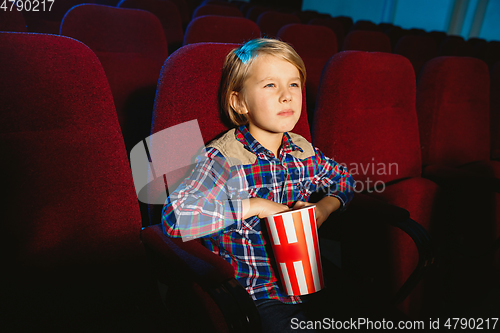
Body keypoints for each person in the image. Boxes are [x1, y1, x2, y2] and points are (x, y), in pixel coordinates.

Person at [162, 38, 354, 332]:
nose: (287, 96)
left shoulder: (302, 150)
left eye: (293, 85)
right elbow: (174, 220)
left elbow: (343, 178)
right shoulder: (223, 158)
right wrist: (254, 206)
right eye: (270, 85)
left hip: (308, 280)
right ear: (239, 102)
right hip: (256, 293)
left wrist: (324, 208)